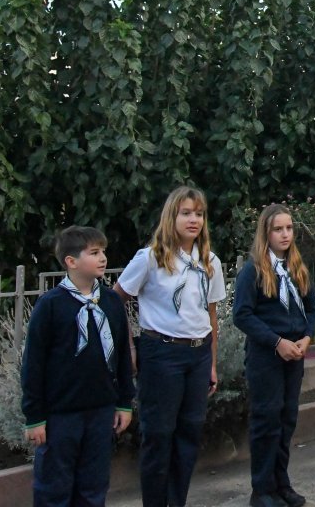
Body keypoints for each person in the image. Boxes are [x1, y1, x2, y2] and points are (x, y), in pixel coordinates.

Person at [115, 186, 226, 507]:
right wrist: (130, 349)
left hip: (198, 354)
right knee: (159, 435)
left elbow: (212, 313)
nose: (194, 220)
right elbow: (116, 298)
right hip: (161, 354)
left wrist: (213, 363)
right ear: (172, 216)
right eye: (186, 213)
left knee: (189, 434)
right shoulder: (151, 258)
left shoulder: (209, 261)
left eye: (199, 214)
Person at [21, 226, 135, 507]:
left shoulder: (110, 301)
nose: (103, 258)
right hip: (60, 415)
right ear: (71, 262)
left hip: (100, 411)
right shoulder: (51, 305)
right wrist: (35, 416)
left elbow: (121, 354)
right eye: (94, 253)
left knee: (93, 485)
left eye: (104, 252)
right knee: (54, 487)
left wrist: (124, 403)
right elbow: (33, 363)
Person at [233, 204, 315, 507]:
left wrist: (307, 337)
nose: (285, 234)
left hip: (294, 355)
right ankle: (262, 489)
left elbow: (312, 309)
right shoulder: (254, 270)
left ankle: (282, 484)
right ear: (266, 233)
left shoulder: (297, 268)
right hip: (267, 356)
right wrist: (276, 342)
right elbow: (242, 315)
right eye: (278, 229)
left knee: (286, 419)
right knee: (266, 420)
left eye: (289, 228)